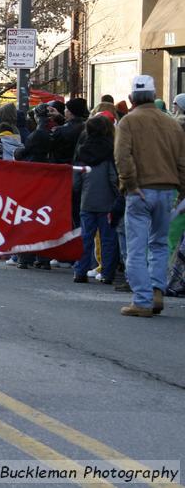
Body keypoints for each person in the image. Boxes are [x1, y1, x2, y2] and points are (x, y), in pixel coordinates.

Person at [114, 75, 185, 316]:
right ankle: (156, 291)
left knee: (136, 247)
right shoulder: (172, 123)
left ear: (132, 98)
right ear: (154, 96)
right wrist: (182, 191)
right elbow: (182, 161)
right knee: (159, 244)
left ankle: (142, 300)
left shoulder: (128, 122)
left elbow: (123, 157)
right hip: (167, 190)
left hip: (140, 190)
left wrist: (130, 184)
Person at [72, 115, 120, 285]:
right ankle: (107, 273)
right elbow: (113, 177)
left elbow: (76, 180)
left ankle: (80, 271)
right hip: (107, 201)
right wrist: (118, 195)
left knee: (85, 237)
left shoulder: (82, 151)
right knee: (108, 239)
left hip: (87, 200)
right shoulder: (110, 150)